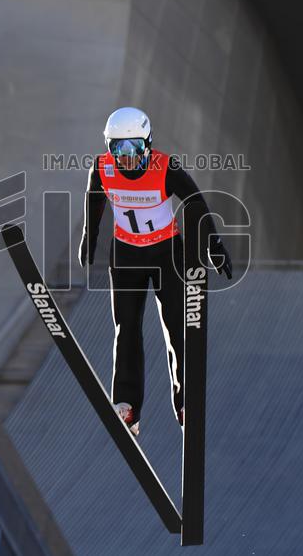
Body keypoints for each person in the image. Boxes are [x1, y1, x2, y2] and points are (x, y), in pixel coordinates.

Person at [78, 106, 232, 436]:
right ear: (109, 148)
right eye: (119, 148)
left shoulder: (164, 168)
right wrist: (88, 239)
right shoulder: (103, 169)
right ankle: (127, 404)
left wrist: (213, 245)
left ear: (148, 143)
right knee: (127, 329)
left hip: (167, 253)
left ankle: (185, 401)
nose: (127, 157)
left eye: (134, 148)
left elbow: (195, 200)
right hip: (127, 255)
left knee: (178, 327)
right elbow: (93, 200)